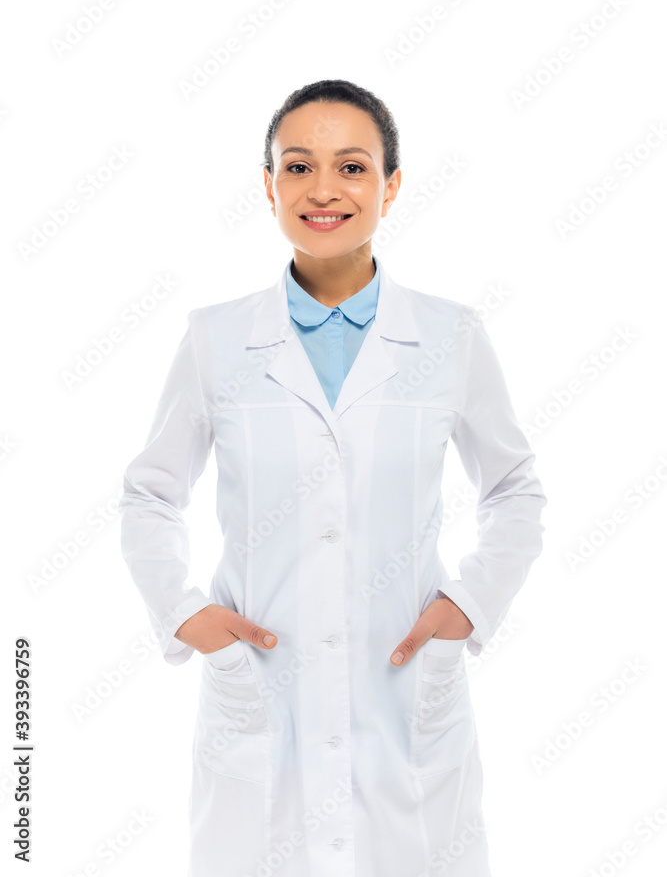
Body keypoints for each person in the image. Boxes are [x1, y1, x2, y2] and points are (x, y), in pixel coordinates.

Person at [119, 78, 547, 877]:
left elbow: (513, 488)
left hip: (406, 702)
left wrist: (470, 602)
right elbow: (151, 493)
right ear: (268, 186)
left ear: (390, 185)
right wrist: (182, 612)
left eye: (351, 167)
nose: (322, 190)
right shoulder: (215, 339)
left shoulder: (450, 336)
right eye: (297, 166)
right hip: (259, 699)